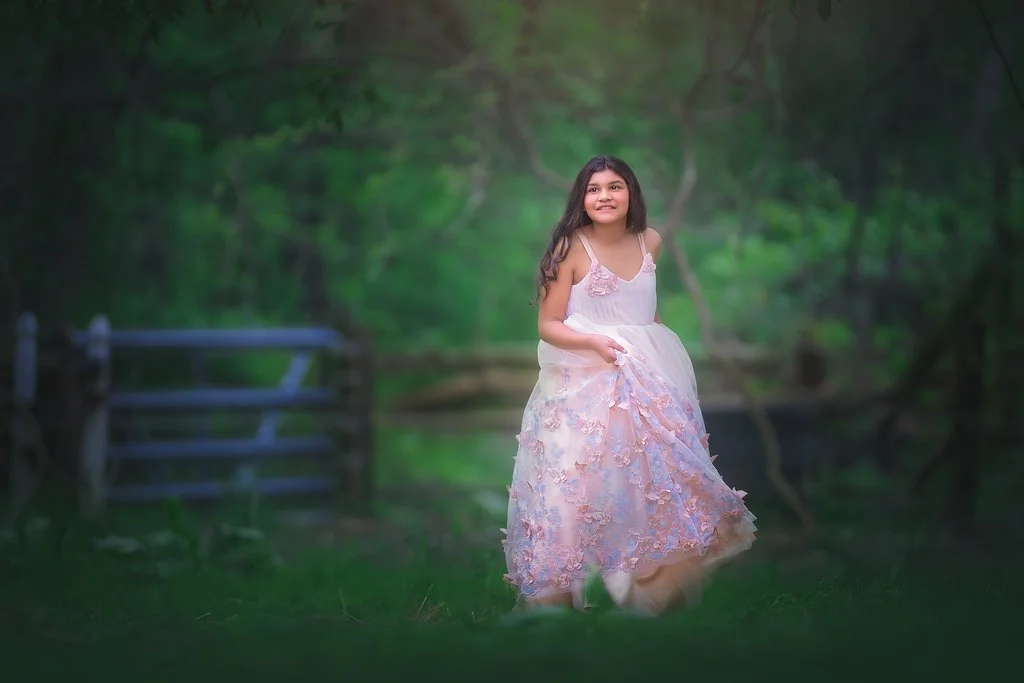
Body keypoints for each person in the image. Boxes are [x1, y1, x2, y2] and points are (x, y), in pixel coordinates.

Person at [502, 155, 757, 616]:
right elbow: (549, 323)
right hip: (586, 379)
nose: (605, 196)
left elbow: (645, 311)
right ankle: (551, 602)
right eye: (595, 188)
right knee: (572, 484)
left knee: (655, 479)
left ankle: (654, 593)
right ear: (582, 198)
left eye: (614, 186)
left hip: (644, 375)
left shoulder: (650, 241)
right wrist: (595, 343)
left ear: (630, 193)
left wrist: (658, 359)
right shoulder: (570, 247)